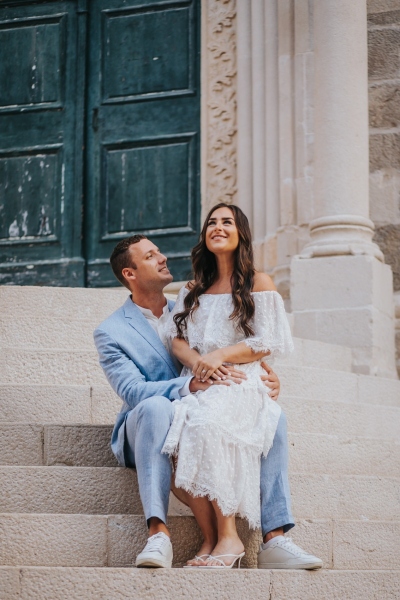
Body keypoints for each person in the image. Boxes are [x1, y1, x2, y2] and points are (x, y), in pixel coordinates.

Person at [94, 224, 322, 570]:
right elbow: (133, 392)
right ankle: (158, 533)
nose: (163, 256)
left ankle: (275, 538)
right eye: (151, 255)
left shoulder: (193, 305)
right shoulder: (110, 331)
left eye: (159, 251)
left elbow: (226, 348)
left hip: (205, 405)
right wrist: (190, 387)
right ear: (130, 273)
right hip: (146, 425)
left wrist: (262, 376)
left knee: (272, 415)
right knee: (160, 408)